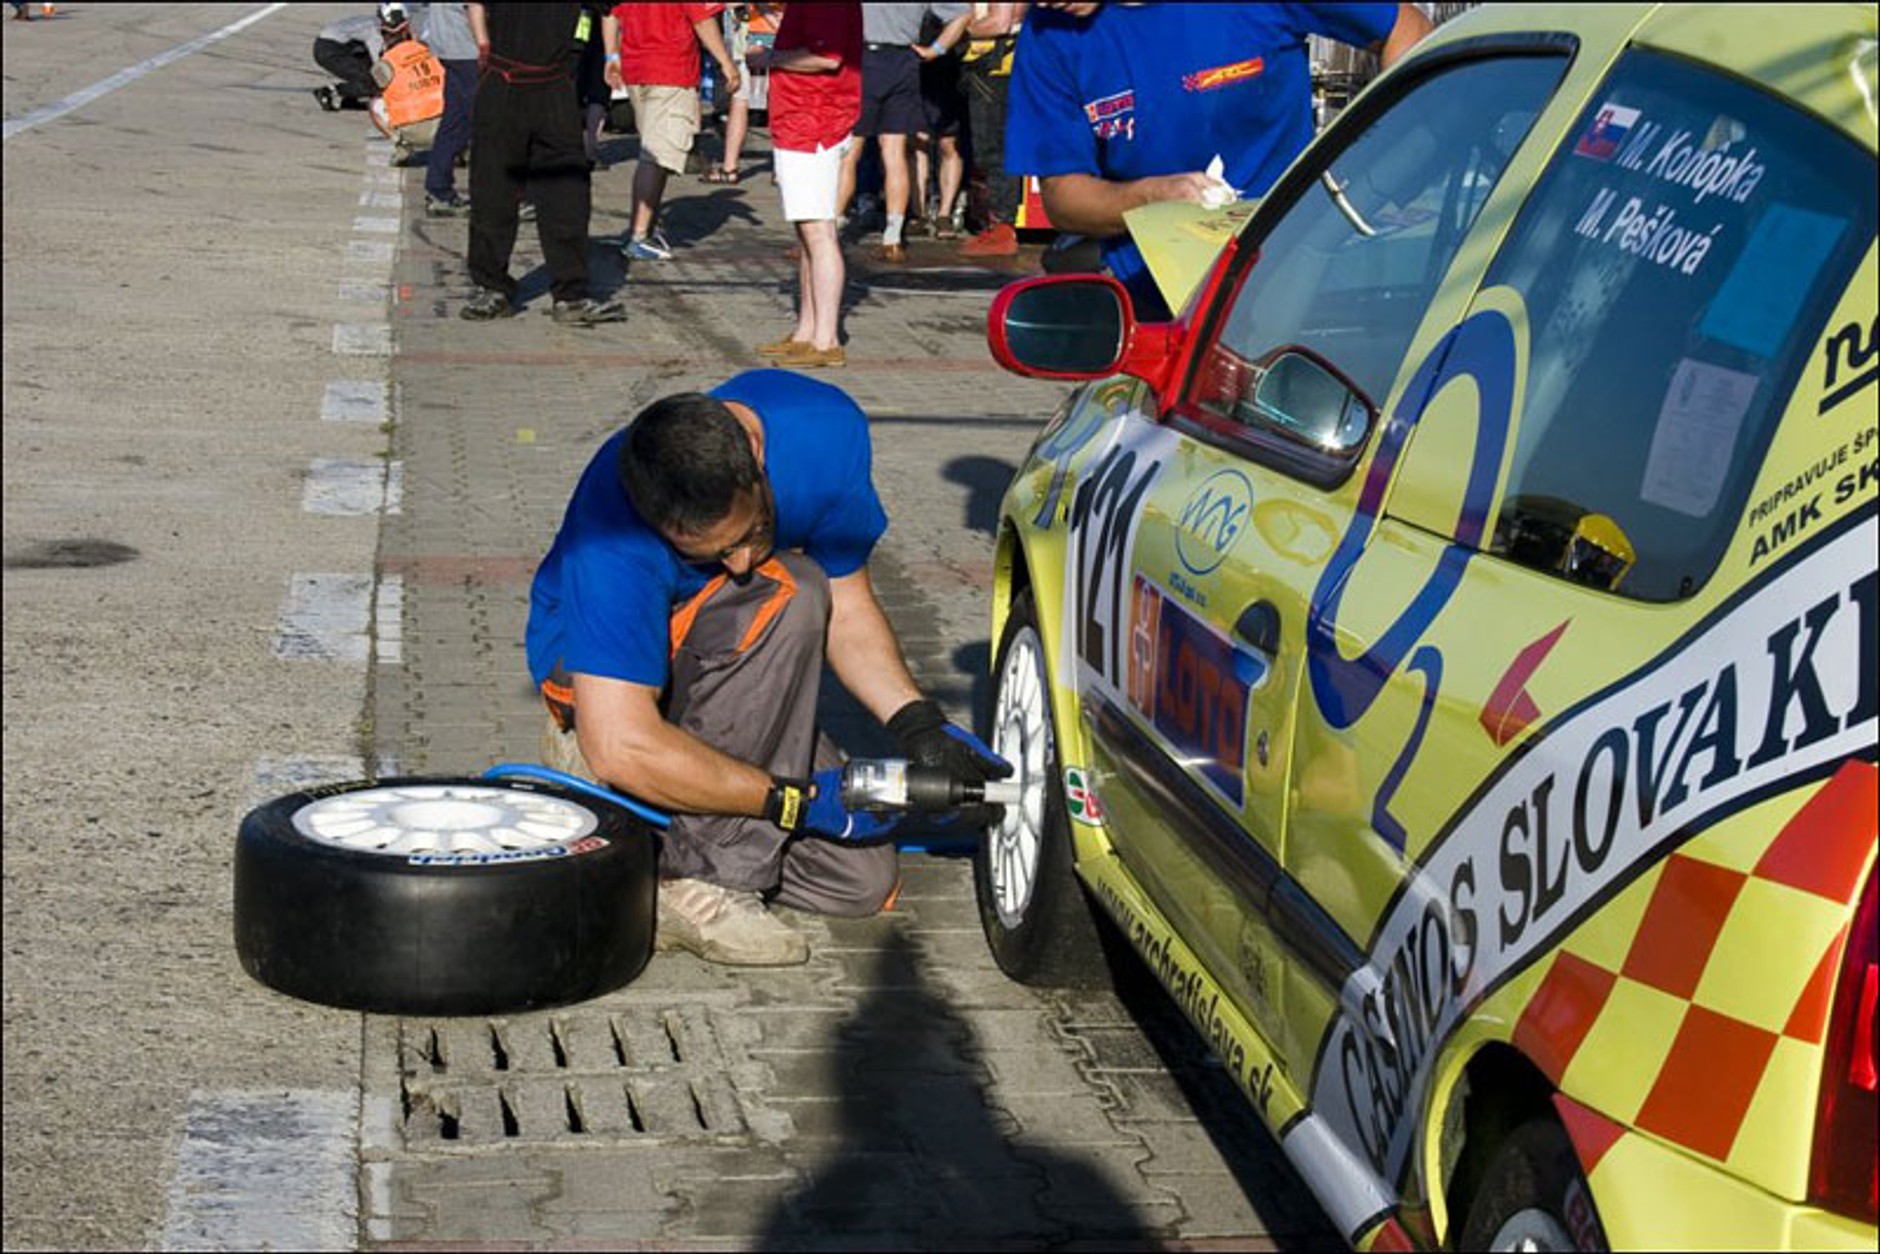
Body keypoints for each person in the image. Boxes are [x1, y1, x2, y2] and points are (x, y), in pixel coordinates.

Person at [527, 374, 1011, 965]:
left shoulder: (825, 434)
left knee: (858, 881)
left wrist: (918, 724)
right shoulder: (613, 529)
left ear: (754, 456)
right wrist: (794, 803)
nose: (735, 564)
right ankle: (701, 884)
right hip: (612, 693)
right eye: (703, 555)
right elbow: (623, 741)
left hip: (733, 672)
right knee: (788, 588)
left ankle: (631, 824)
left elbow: (849, 602)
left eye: (747, 534)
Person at [1005, 1, 1432, 317]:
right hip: (1156, 311)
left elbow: (1406, 30)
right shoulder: (1047, 35)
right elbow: (1064, 197)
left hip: (1291, 286)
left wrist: (1371, 170)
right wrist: (1156, 195)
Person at [461, 2, 626, 325]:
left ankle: (570, 295)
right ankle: (491, 286)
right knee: (492, 193)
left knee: (568, 197)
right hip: (502, 82)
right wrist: (483, 43)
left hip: (556, 89)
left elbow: (608, 10)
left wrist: (611, 57)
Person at [754, 1, 861, 368]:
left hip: (813, 118)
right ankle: (807, 330)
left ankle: (825, 339)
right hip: (802, 117)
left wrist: (771, 57)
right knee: (807, 232)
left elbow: (827, 57)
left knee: (819, 231)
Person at [834, 4, 971, 263]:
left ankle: (830, 232)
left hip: (865, 58)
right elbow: (963, 15)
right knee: (894, 152)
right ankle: (893, 237)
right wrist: (935, 50)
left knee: (850, 151)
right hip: (904, 61)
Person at [603, 3, 740, 262]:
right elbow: (702, 20)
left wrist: (611, 56)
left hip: (636, 69)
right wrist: (725, 62)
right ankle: (638, 236)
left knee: (655, 153)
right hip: (670, 70)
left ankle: (643, 230)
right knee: (655, 157)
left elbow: (609, 11)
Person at [956, 2, 1026, 257]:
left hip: (995, 70)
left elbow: (1000, 22)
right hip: (990, 68)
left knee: (993, 148)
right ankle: (998, 223)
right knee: (989, 148)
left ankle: (1003, 227)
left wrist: (959, 29)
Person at [909, 7, 971, 240]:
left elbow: (964, 16)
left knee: (949, 143)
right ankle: (919, 213)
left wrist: (934, 50)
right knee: (918, 141)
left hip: (947, 65)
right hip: (914, 65)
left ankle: (945, 213)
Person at [420, 1, 479, 216]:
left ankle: (439, 189)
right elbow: (474, 8)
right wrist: (486, 43)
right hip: (467, 49)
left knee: (455, 120)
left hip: (447, 45)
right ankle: (499, 191)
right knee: (482, 119)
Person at [369, 4, 446, 166]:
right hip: (446, 126)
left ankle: (402, 145)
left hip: (414, 132)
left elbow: (376, 88)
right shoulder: (429, 49)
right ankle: (462, 147)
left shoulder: (386, 63)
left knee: (375, 104)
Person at [312, 11, 385, 112]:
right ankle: (328, 92)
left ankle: (349, 100)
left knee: (365, 68)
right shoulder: (375, 30)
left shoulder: (372, 21)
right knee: (373, 82)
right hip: (330, 50)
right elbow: (379, 65)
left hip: (326, 44)